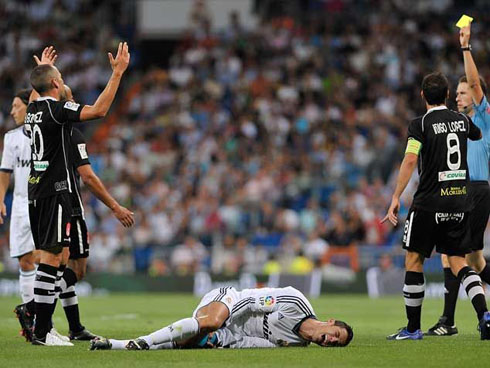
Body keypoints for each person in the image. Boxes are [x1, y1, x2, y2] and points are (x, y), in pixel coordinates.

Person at [25, 42, 130, 346]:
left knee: (51, 257)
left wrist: (42, 69)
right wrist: (118, 74)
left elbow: (36, 88)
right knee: (53, 260)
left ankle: (44, 329)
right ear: (56, 84)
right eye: (59, 77)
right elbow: (99, 110)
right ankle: (43, 331)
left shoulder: (33, 108)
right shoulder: (58, 111)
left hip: (36, 192)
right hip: (57, 191)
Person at [382, 71, 490, 340]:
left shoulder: (419, 125)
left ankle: (412, 328)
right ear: (446, 96)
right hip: (459, 202)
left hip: (429, 202)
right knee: (458, 261)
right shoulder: (463, 120)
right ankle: (485, 316)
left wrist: (396, 196)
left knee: (414, 259)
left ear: (422, 96)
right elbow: (475, 136)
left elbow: (409, 161)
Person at [425, 24, 490, 337]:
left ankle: (449, 321)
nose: (461, 97)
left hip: (475, 190)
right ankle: (449, 320)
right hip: (463, 192)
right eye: (459, 93)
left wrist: (465, 47)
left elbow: (475, 82)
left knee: (455, 257)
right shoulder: (456, 123)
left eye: (465, 93)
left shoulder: (482, 116)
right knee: (473, 261)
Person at [90, 286, 353, 350]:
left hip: (231, 328)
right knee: (211, 323)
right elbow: (249, 303)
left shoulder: (296, 344)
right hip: (228, 300)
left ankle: (116, 344)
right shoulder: (296, 301)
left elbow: (250, 341)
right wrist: (221, 325)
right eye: (336, 334)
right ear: (331, 322)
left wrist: (222, 339)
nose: (330, 340)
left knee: (195, 342)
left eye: (335, 343)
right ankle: (144, 340)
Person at [0, 90, 37, 309]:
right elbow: (5, 172)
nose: (12, 111)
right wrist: (0, 199)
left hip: (45, 203)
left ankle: (44, 320)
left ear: (29, 105)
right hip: (22, 203)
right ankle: (31, 319)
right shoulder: (11, 138)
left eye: (16, 106)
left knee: (47, 261)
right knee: (25, 261)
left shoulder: (47, 132)